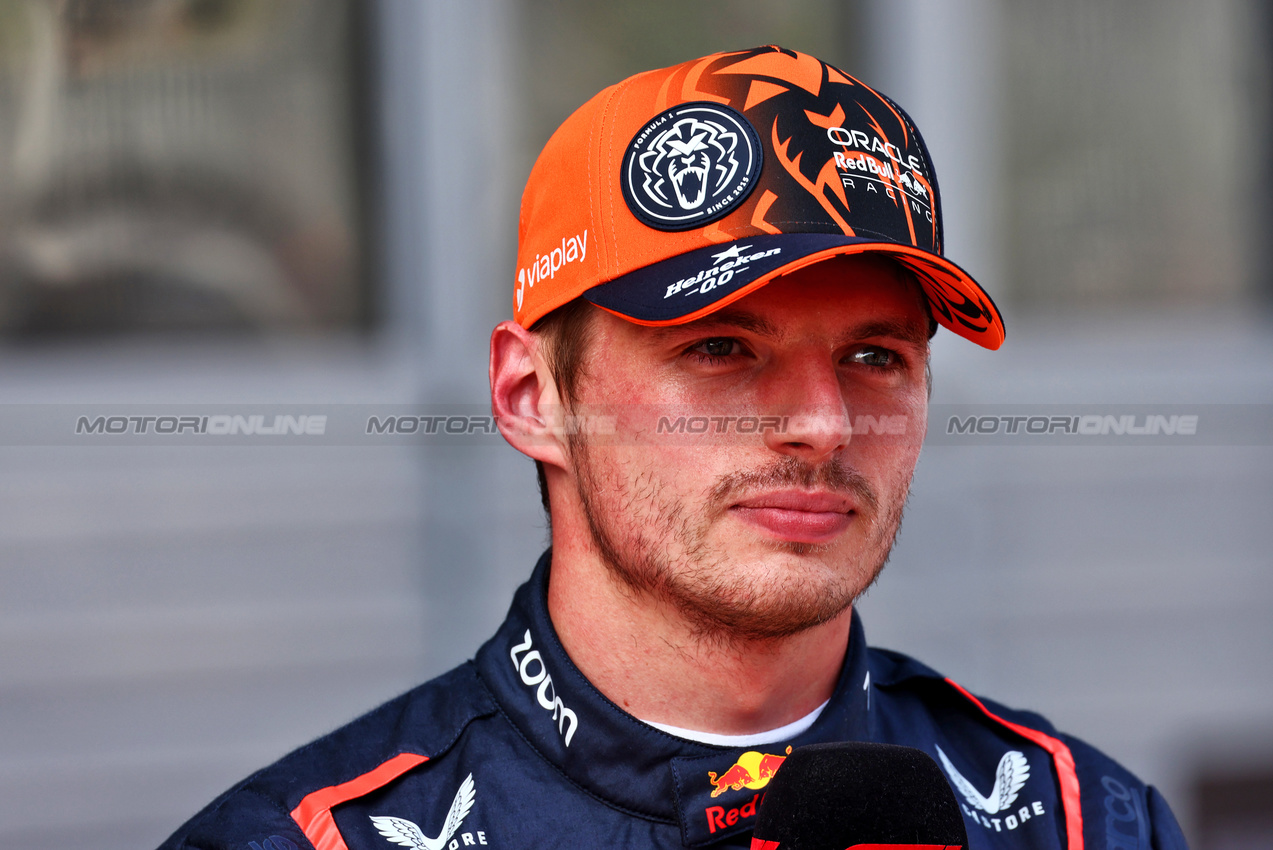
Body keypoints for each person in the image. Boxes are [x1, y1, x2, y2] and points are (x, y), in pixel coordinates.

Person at [158, 46, 1188, 850]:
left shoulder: (1078, 817)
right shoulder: (312, 837)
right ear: (530, 396)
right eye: (720, 347)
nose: (823, 424)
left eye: (875, 355)